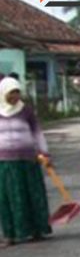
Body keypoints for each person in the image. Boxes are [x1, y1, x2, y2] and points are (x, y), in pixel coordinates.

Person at [0, 77, 51, 246]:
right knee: (8, 198)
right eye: (11, 93)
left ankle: (37, 230)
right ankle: (10, 234)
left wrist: (45, 152)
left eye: (17, 92)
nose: (14, 96)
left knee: (32, 195)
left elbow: (37, 133)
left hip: (28, 160)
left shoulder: (26, 111)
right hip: (5, 163)